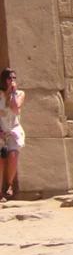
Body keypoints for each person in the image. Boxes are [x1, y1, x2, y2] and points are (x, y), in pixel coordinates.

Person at [0, 69, 25, 200]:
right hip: (1, 130)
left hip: (13, 130)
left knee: (13, 156)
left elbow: (15, 109)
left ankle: (9, 184)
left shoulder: (20, 94)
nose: (12, 80)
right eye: (9, 78)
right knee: (1, 160)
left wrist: (13, 92)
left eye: (14, 78)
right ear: (4, 80)